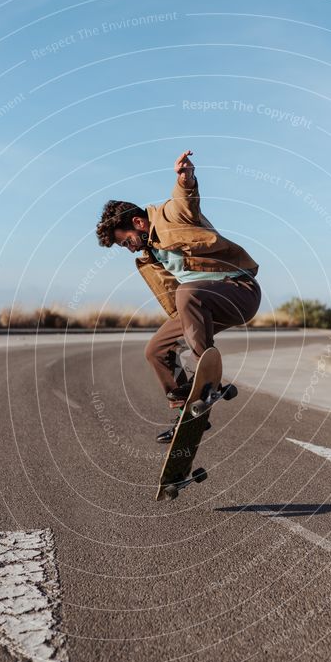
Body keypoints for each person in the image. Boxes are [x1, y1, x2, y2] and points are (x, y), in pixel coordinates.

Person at [96, 150, 261, 443]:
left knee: (188, 292)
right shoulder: (148, 257)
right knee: (156, 351)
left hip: (239, 291)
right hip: (199, 304)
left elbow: (186, 203)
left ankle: (206, 378)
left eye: (127, 242)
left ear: (137, 222)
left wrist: (187, 180)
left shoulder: (170, 215)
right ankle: (187, 412)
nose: (129, 249)